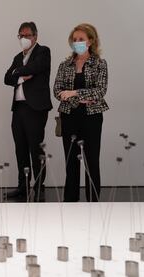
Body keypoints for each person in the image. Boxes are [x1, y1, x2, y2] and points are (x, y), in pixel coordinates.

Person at [54, 23, 108, 202]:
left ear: (91, 41)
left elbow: (99, 92)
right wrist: (84, 97)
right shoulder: (65, 65)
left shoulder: (100, 64)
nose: (77, 42)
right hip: (69, 117)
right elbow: (57, 91)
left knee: (92, 162)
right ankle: (70, 202)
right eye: (74, 39)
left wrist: (73, 93)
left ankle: (93, 203)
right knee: (71, 163)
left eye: (81, 39)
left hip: (91, 118)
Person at [4, 22, 52, 202]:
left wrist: (18, 74)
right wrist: (21, 77)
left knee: (35, 148)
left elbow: (35, 68)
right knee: (21, 148)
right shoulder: (18, 57)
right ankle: (22, 186)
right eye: (21, 35)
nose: (24, 39)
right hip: (18, 108)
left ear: (35, 36)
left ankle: (39, 186)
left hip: (36, 108)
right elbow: (7, 78)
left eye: (28, 35)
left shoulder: (43, 52)